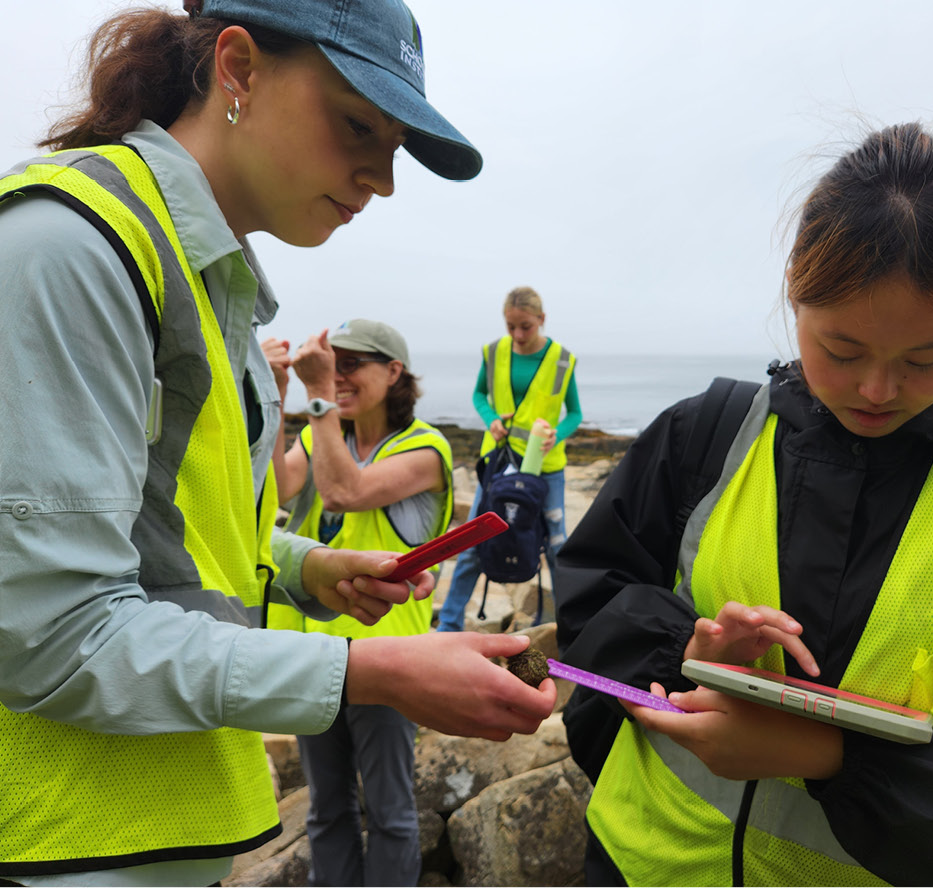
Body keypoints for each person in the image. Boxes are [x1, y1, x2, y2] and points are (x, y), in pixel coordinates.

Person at [0, 3, 556, 882]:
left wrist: (303, 568)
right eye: (356, 124)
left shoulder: (205, 278)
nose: (383, 177)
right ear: (239, 69)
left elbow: (174, 527)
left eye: (397, 144)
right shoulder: (72, 249)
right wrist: (368, 672)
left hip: (153, 826)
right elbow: (51, 633)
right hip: (56, 844)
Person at [555, 124, 933, 886]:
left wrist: (827, 756)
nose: (876, 389)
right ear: (794, 293)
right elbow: (587, 614)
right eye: (840, 350)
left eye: (928, 358)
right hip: (640, 864)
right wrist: (683, 659)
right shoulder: (705, 434)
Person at [266, 319, 453, 887]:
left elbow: (347, 492)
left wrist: (317, 396)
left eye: (352, 364)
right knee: (326, 808)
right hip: (314, 652)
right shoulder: (323, 432)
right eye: (330, 362)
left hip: (390, 658)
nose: (337, 375)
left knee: (391, 812)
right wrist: (275, 396)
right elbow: (272, 487)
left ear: (394, 371)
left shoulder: (428, 449)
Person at [436, 285, 582, 630]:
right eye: (511, 326)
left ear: (541, 320)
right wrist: (491, 421)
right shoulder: (493, 352)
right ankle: (449, 624)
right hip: (500, 464)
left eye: (526, 326)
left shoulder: (562, 360)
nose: (517, 334)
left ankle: (569, 626)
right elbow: (479, 395)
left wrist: (555, 436)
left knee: (557, 547)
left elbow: (574, 414)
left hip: (546, 469)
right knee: (474, 538)